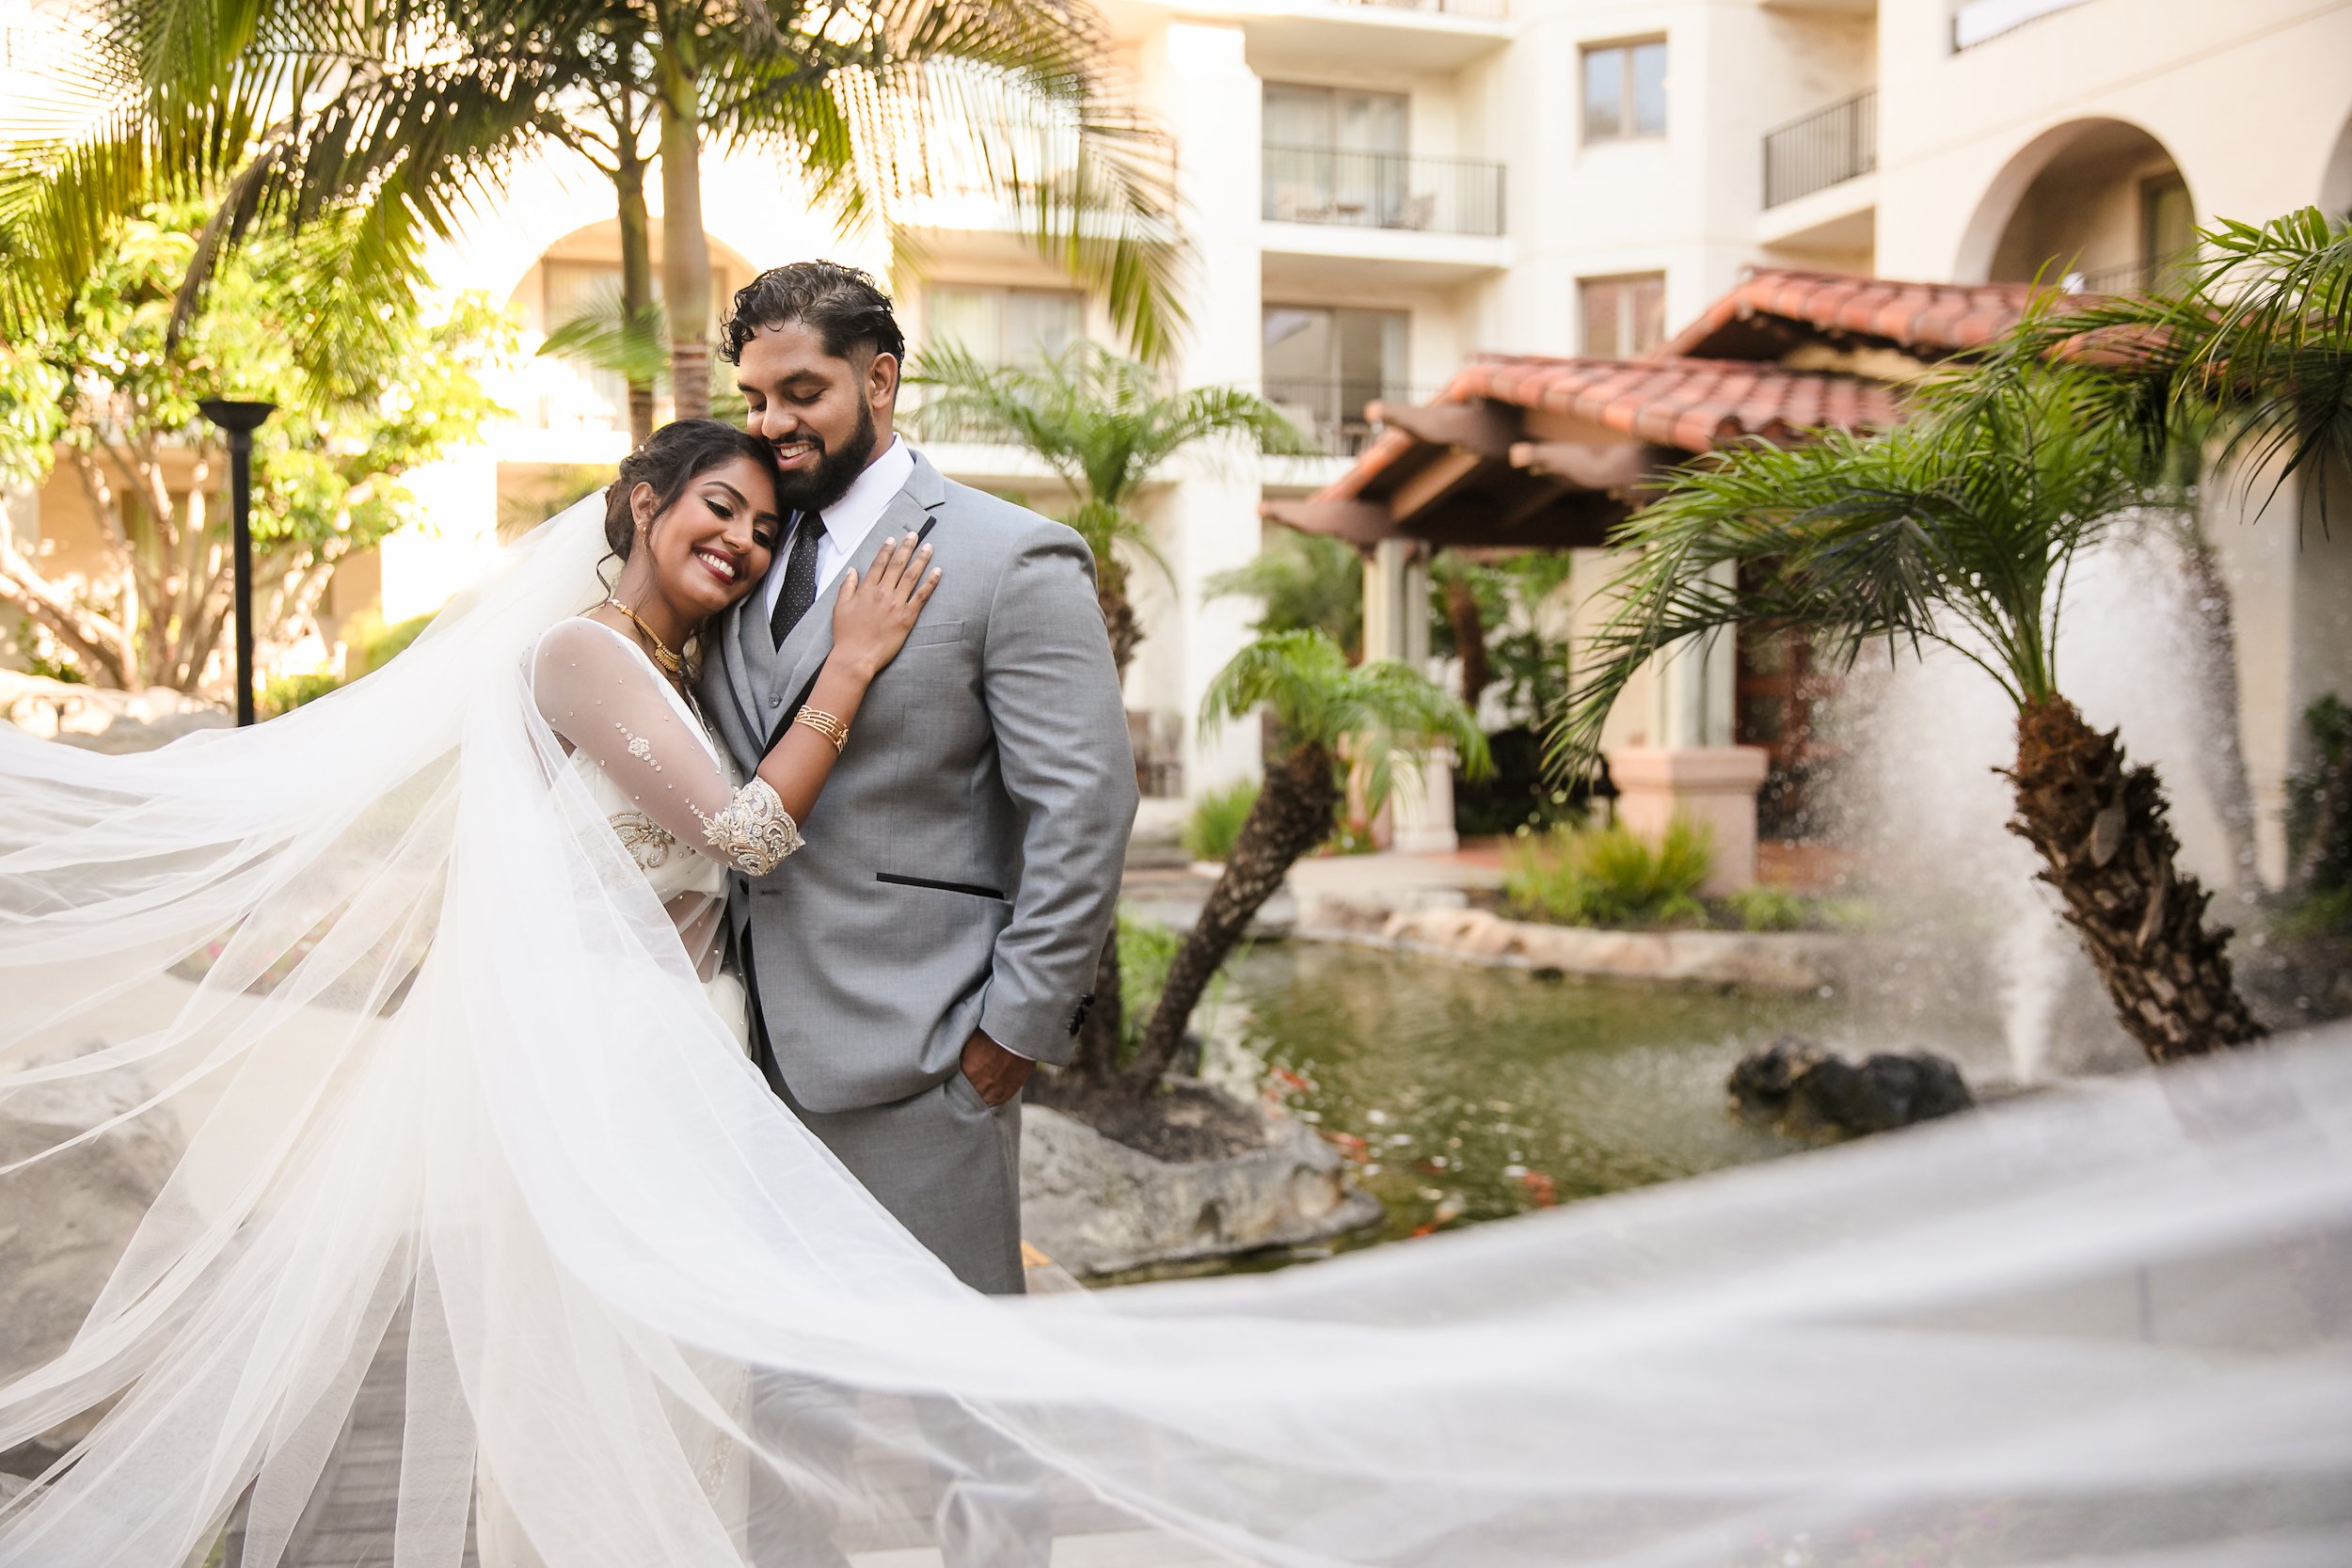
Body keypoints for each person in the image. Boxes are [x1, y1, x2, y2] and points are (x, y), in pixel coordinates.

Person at [0, 330, 2347, 1568]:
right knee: (684, 1357)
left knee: (941, 1376)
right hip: (686, 1044)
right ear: (643, 509)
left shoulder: (979, 562)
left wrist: (1025, 1025)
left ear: (871, 392)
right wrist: (818, 679)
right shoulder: (618, 646)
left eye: (781, 450)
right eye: (719, 486)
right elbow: (722, 819)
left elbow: (1076, 807)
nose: (753, 506)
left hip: (889, 1049)